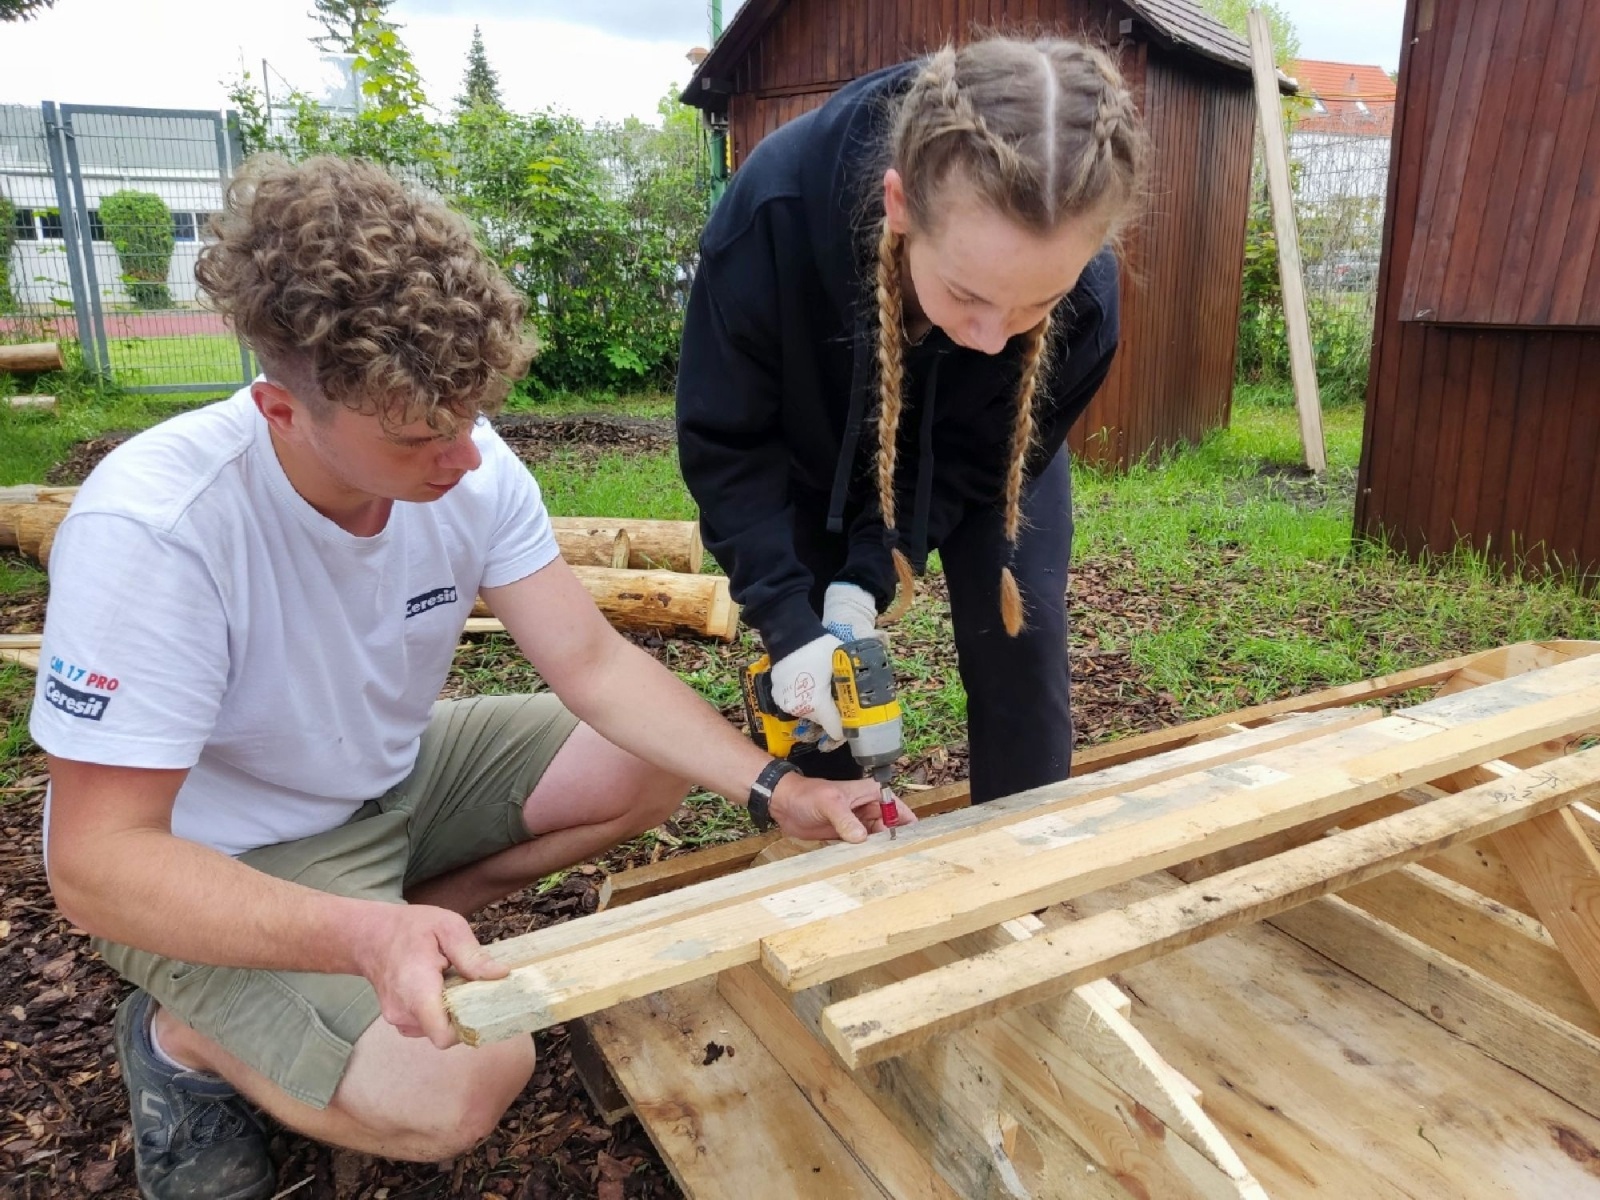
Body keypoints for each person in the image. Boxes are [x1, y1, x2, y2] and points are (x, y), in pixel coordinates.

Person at [30, 155, 895, 1200]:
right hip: (225, 861)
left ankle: (394, 932)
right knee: (466, 1079)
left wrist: (778, 787)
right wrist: (355, 930)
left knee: (652, 762)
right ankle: (187, 1038)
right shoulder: (159, 530)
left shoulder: (464, 459)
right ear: (282, 410)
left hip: (387, 781)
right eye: (419, 437)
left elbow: (590, 662)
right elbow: (96, 866)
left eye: (470, 417)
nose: (464, 461)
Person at [677, 37, 1147, 803]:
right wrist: (791, 629)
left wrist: (868, 575)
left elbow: (968, 460)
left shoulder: (1087, 303)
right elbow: (727, 443)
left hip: (988, 451)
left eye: (1036, 303)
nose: (994, 337)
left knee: (1020, 648)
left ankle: (1024, 864)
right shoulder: (774, 213)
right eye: (967, 294)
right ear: (899, 206)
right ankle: (837, 847)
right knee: (817, 693)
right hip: (809, 457)